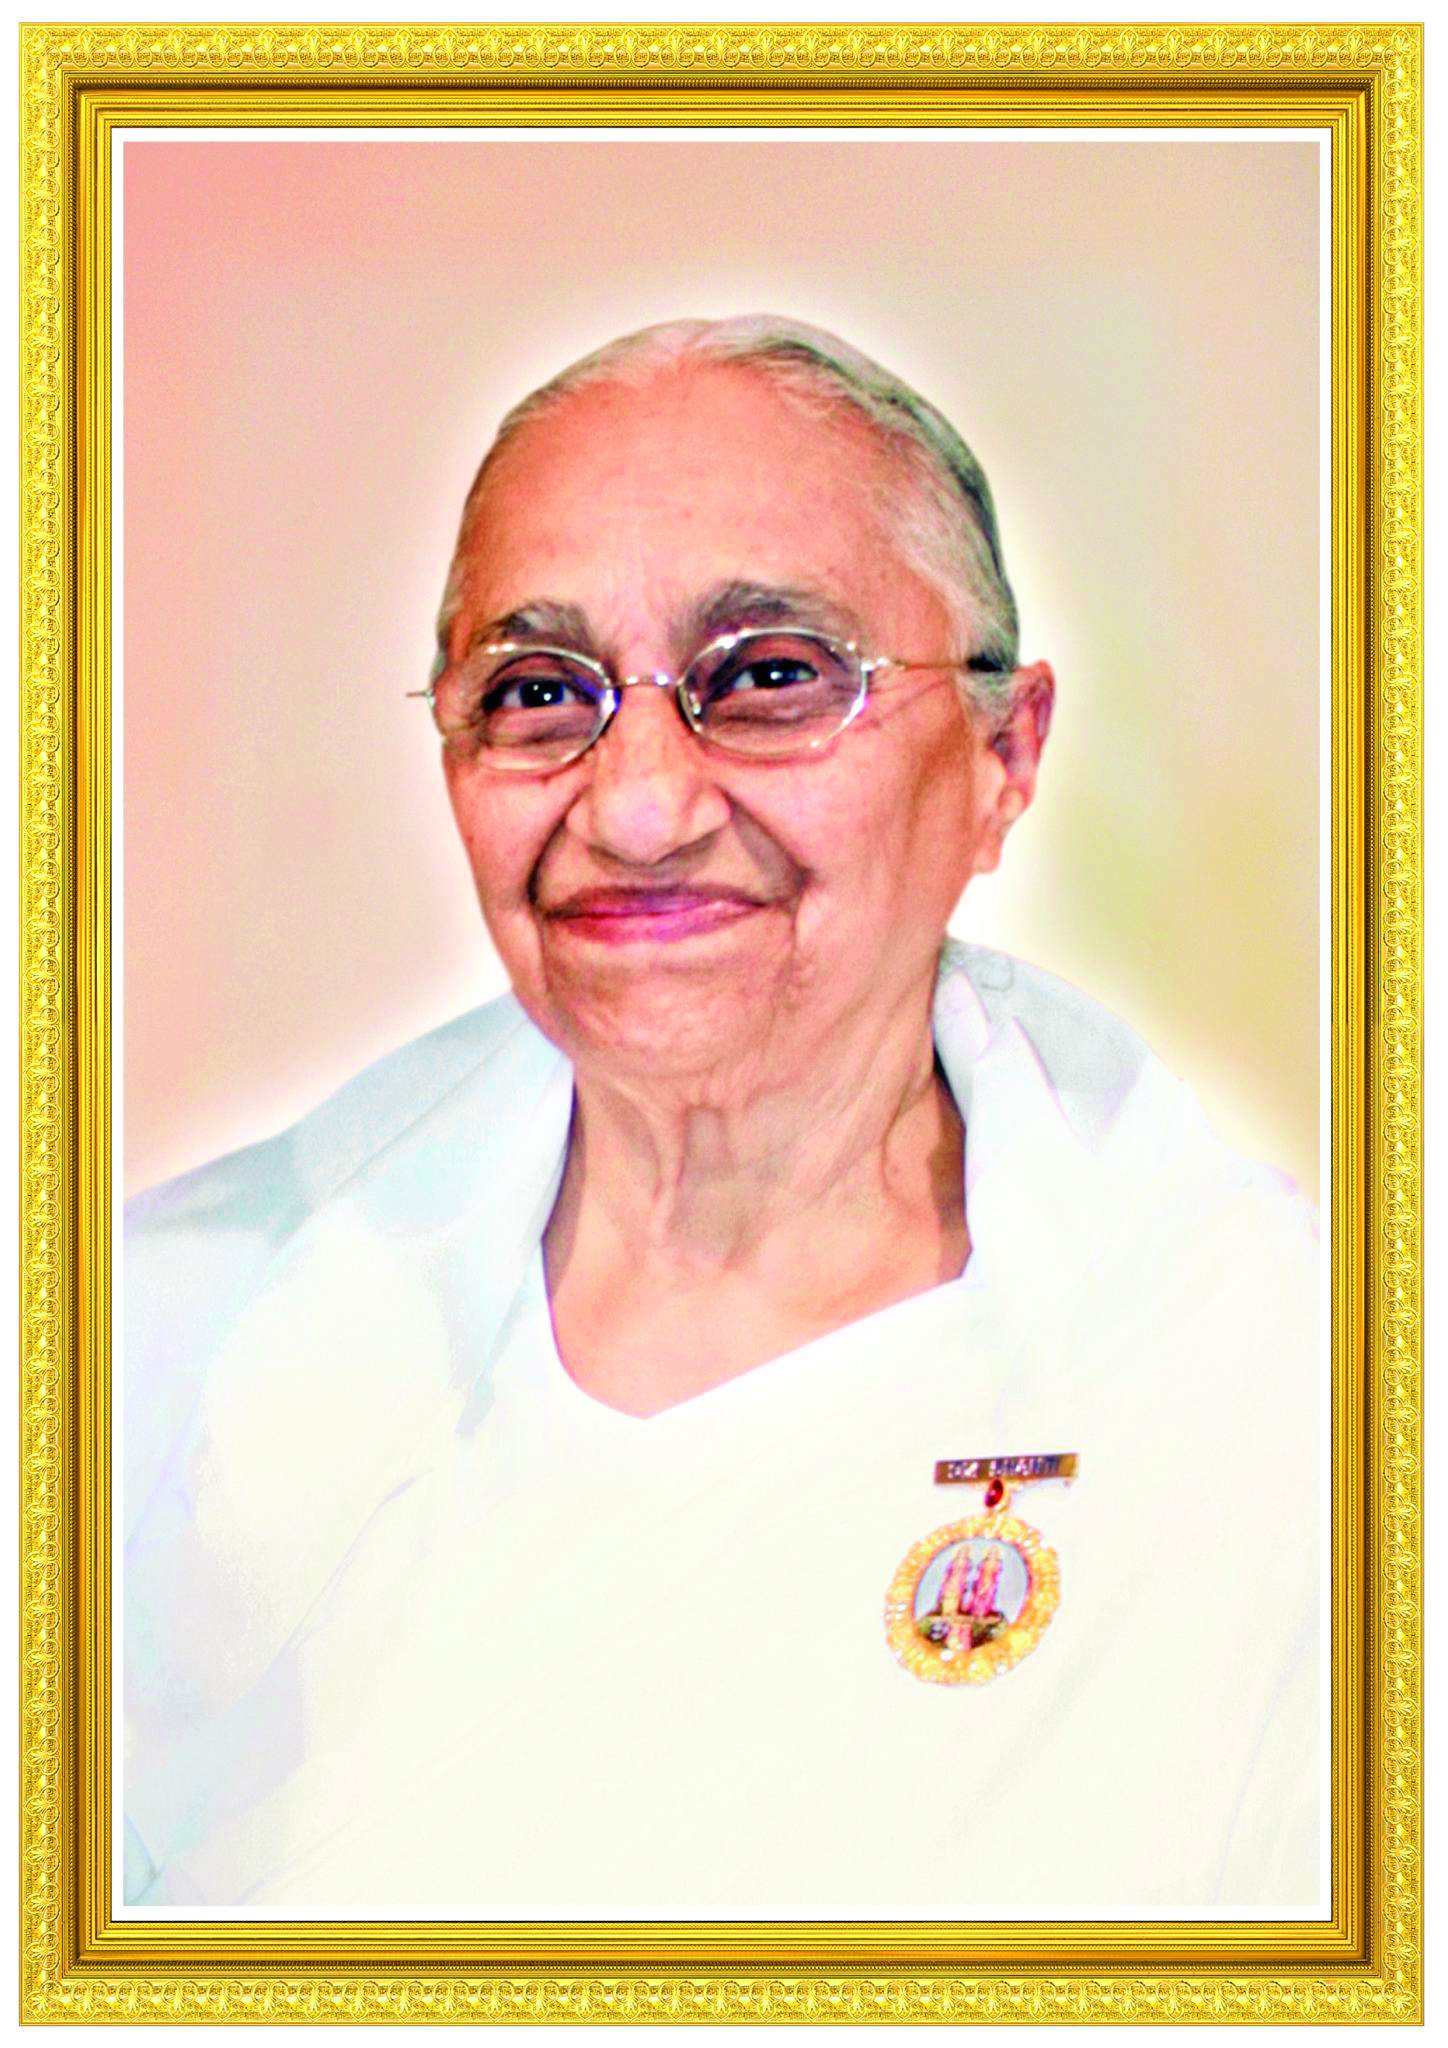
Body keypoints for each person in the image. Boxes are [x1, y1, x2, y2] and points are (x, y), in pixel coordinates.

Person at [123, 315, 1320, 1917]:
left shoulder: (1281, 1385)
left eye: (767, 679)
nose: (635, 808)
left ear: (1004, 753)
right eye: (537, 693)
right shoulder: (160, 1348)